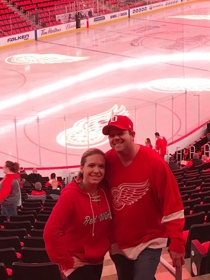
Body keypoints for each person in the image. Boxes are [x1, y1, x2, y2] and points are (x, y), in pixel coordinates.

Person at [103, 115, 185, 280]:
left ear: (132, 134)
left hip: (149, 240)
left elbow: (172, 202)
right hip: (119, 241)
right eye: (111, 135)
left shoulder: (154, 163)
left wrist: (177, 241)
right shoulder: (107, 161)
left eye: (120, 133)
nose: (115, 138)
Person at [44, 148, 112, 280]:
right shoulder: (70, 195)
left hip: (97, 258)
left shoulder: (105, 191)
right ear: (82, 168)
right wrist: (66, 260)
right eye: (91, 165)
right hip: (76, 260)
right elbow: (50, 232)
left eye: (101, 166)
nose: (97, 170)